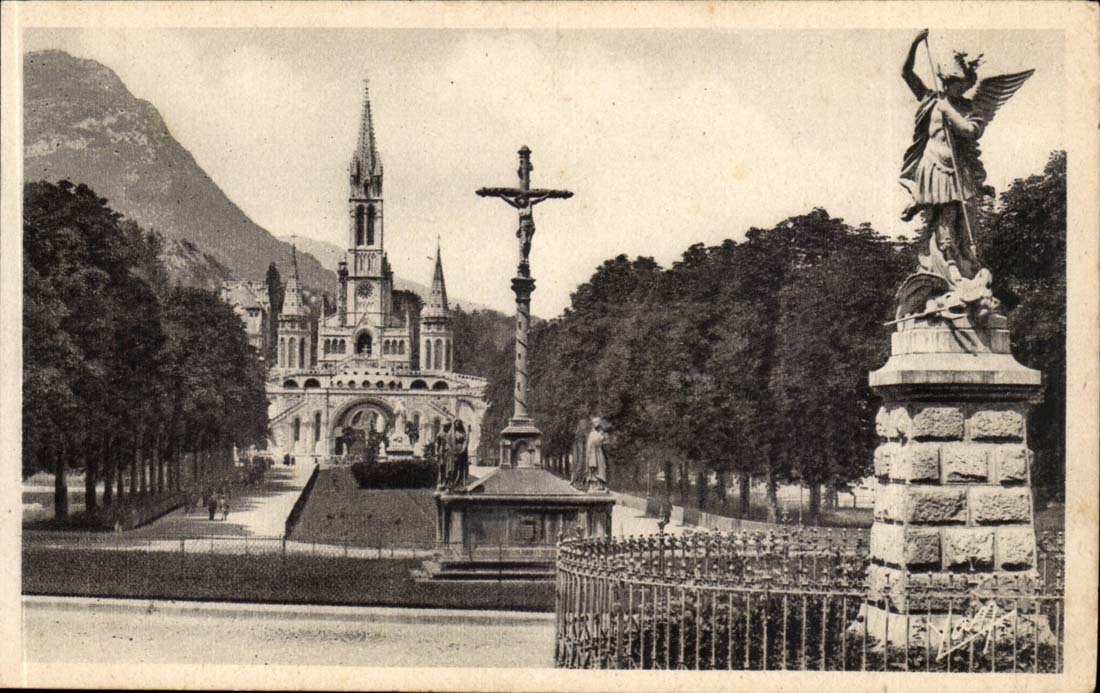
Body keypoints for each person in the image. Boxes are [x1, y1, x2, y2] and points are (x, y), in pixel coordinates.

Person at [896, 29, 1034, 318]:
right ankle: (952, 273)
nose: (949, 86)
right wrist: (915, 44)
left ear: (966, 83)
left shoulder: (968, 107)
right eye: (946, 81)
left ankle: (969, 270)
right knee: (944, 223)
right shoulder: (930, 99)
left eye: (956, 83)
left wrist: (949, 110)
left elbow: (970, 132)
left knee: (968, 224)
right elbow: (906, 72)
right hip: (934, 169)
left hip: (961, 172)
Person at [585, 417, 609, 492]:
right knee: (593, 469)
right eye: (594, 422)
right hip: (592, 454)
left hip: (600, 453)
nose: (596, 424)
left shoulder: (603, 433)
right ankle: (593, 485)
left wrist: (603, 438)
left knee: (602, 468)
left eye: (597, 422)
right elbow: (589, 445)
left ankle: (601, 485)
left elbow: (606, 443)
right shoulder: (591, 434)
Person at [447, 419, 469, 489]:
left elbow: (466, 440)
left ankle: (460, 482)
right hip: (454, 451)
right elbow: (449, 442)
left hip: (462, 450)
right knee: (454, 467)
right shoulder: (451, 433)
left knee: (461, 467)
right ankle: (452, 482)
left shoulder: (463, 432)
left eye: (459, 423)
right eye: (457, 423)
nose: (458, 424)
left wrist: (464, 448)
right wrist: (453, 449)